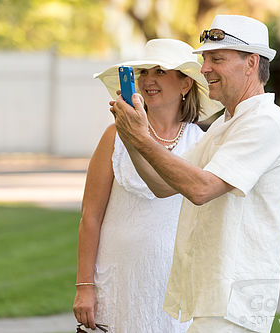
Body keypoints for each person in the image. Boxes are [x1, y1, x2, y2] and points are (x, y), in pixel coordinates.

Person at [111, 15, 280, 333]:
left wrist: (142, 138)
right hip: (213, 301)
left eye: (217, 58)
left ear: (251, 63)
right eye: (205, 58)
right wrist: (130, 137)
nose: (205, 68)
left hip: (234, 306)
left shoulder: (267, 123)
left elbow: (201, 189)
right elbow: (163, 185)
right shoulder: (225, 124)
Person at [73, 39, 222, 332]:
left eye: (160, 71)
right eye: (143, 73)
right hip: (117, 281)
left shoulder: (204, 143)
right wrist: (84, 286)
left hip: (177, 285)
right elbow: (90, 216)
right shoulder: (114, 136)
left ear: (185, 85)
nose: (148, 80)